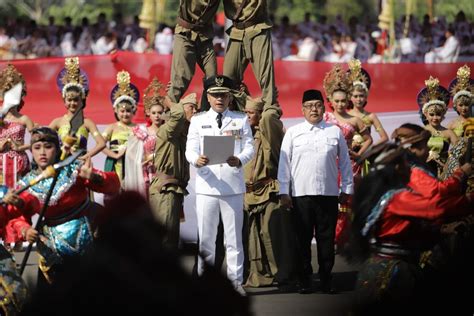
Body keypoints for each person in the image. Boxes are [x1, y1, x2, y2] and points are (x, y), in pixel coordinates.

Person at [341, 142, 473, 315]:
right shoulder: (397, 198)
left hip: (388, 266)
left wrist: (439, 231)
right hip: (391, 272)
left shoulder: (388, 193)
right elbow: (436, 208)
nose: (410, 169)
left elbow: (407, 226)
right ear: (395, 168)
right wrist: (464, 184)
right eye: (404, 164)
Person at [11, 127, 120, 288]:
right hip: (53, 241)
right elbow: (16, 216)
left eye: (48, 147)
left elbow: (113, 186)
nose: (42, 152)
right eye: (37, 147)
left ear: (57, 149)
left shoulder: (73, 169)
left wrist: (93, 176)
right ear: (31, 151)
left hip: (91, 226)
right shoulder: (27, 184)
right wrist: (26, 230)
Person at [277, 89, 353, 294]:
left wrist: (346, 188)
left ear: (323, 107)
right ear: (302, 109)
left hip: (328, 194)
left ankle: (326, 279)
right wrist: (284, 191)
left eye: (318, 105)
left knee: (326, 241)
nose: (314, 109)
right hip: (300, 195)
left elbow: (345, 162)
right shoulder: (293, 132)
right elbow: (284, 164)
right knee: (301, 240)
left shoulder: (334, 131)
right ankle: (305, 280)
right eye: (309, 106)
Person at [185, 75, 254, 296]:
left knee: (233, 241)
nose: (219, 99)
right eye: (215, 95)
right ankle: (206, 286)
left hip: (232, 187)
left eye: (223, 94)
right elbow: (190, 149)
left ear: (230, 96)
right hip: (207, 186)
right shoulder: (198, 120)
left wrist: (240, 159)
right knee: (206, 240)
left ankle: (235, 284)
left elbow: (249, 147)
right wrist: (196, 160)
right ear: (208, 96)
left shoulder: (240, 119)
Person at [323, 64, 372, 244]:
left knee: (346, 203)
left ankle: (341, 238)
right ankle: (327, 236)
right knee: (328, 200)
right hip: (328, 164)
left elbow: (369, 139)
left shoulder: (355, 120)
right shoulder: (326, 118)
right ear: (331, 100)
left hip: (348, 165)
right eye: (337, 101)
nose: (340, 104)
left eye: (344, 101)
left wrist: (359, 155)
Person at [242, 96, 288, 288]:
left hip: (268, 189)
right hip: (247, 194)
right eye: (245, 112)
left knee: (271, 233)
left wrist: (270, 97)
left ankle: (283, 274)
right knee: (253, 236)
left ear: (260, 115)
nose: (246, 116)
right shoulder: (242, 135)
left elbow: (270, 117)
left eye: (251, 113)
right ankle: (260, 274)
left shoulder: (269, 133)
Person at [148, 92, 197, 251]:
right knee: (165, 240)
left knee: (171, 239)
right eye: (192, 108)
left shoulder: (182, 134)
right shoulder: (167, 131)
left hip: (173, 190)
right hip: (165, 191)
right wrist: (170, 103)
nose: (194, 111)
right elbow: (177, 115)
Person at [0, 64, 35, 250]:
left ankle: (19, 234)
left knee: (19, 199)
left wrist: (20, 146)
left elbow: (39, 140)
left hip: (18, 166)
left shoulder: (24, 119)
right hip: (1, 166)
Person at [49, 57, 105, 161]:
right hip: (62, 165)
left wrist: (85, 157)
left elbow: (101, 143)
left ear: (81, 100)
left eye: (76, 100)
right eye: (69, 100)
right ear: (64, 101)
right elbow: (44, 139)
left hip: (81, 166)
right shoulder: (57, 122)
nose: (72, 103)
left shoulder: (88, 123)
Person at [222, 0, 277, 108]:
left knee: (265, 79)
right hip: (236, 31)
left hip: (258, 28)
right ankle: (242, 110)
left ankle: (269, 113)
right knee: (227, 80)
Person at [167, 0, 219, 103]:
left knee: (214, 81)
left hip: (205, 36)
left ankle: (208, 112)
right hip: (185, 33)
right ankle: (169, 116)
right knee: (179, 81)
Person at [123, 77, 165, 198]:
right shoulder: (142, 132)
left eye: (160, 113)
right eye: (154, 113)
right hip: (146, 173)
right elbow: (130, 153)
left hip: (163, 173)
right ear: (148, 113)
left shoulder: (168, 132)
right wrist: (140, 160)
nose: (157, 116)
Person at [0, 185, 37, 315]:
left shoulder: (2, 193)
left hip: (3, 261)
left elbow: (15, 218)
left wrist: (24, 229)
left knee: (18, 299)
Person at [102, 70, 138, 185]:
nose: (125, 114)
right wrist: (115, 155)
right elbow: (101, 145)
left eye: (128, 111)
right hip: (114, 165)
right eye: (122, 111)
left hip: (132, 166)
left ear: (134, 111)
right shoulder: (111, 128)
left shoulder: (137, 128)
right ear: (116, 111)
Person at [417, 76, 458, 176]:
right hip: (425, 173)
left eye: (438, 114)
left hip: (445, 172)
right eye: (431, 114)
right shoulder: (420, 132)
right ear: (425, 114)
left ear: (443, 114)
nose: (435, 118)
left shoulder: (449, 132)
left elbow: (459, 152)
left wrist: (448, 161)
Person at [347, 58, 388, 147]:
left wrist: (369, 148)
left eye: (361, 96)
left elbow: (384, 137)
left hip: (366, 158)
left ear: (366, 97)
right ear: (350, 97)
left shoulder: (371, 116)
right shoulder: (345, 115)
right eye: (355, 96)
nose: (359, 99)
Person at [447, 64, 473, 138]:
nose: (464, 108)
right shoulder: (451, 124)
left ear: (471, 104)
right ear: (455, 105)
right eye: (461, 105)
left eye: (466, 104)